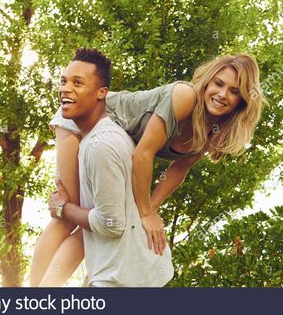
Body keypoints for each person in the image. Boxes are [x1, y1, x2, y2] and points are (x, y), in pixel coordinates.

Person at [30, 48, 267, 286]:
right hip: (80, 118)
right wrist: (145, 212)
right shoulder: (184, 97)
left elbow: (178, 170)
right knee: (67, 215)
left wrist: (149, 209)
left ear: (242, 100)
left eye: (234, 91)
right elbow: (143, 154)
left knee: (92, 222)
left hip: (109, 144)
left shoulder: (214, 131)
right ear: (207, 82)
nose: (222, 94)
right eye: (218, 83)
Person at [41, 48, 174, 287]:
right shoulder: (101, 136)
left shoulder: (100, 145)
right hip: (130, 273)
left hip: (125, 281)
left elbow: (111, 224)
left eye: (78, 83)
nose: (65, 88)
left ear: (102, 93)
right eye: (63, 81)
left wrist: (63, 208)